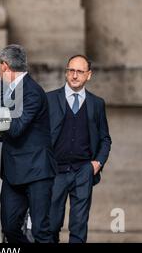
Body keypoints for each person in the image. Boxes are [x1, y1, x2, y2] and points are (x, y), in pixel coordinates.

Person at [47, 55, 111, 243]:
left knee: (79, 225)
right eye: (71, 71)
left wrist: (97, 163)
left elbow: (105, 138)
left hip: (84, 170)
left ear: (88, 75)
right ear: (66, 73)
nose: (74, 75)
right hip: (55, 170)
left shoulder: (97, 103)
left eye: (80, 71)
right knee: (51, 223)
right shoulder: (49, 99)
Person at [0, 44, 56, 243]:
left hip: (36, 171)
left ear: (4, 66)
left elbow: (16, 128)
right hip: (13, 172)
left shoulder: (32, 92)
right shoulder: (4, 90)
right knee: (9, 226)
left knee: (41, 230)